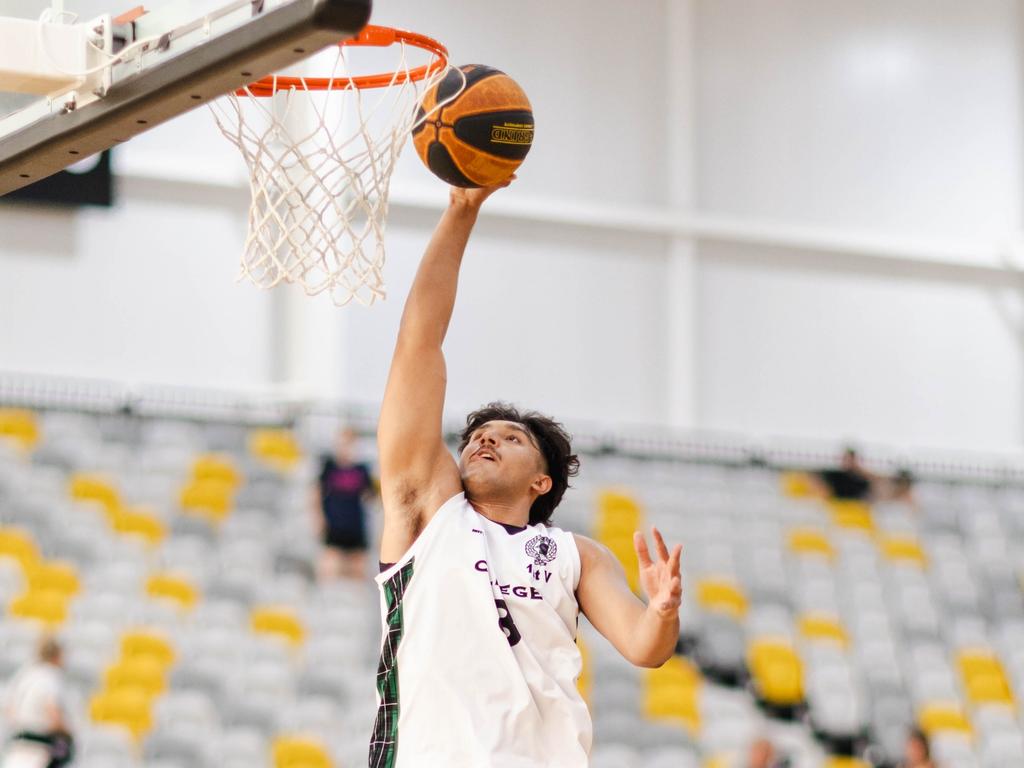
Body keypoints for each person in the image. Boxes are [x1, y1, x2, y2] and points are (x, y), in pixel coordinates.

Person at [370, 179, 683, 767]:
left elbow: (646, 648)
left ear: (542, 482)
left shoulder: (577, 555)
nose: (485, 439)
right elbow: (419, 345)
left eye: (510, 439)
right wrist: (462, 210)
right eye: (478, 437)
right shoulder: (428, 514)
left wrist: (662, 611)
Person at [1, 637, 74, 768]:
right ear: (57, 656)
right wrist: (67, 732)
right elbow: (53, 712)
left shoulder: (25, 673)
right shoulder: (50, 676)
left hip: (17, 744)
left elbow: (8, 708)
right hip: (39, 747)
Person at [314, 427, 375, 581]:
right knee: (330, 567)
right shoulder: (329, 467)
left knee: (358, 570)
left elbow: (370, 496)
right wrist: (318, 519)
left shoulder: (362, 469)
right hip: (334, 524)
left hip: (355, 524)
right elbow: (316, 494)